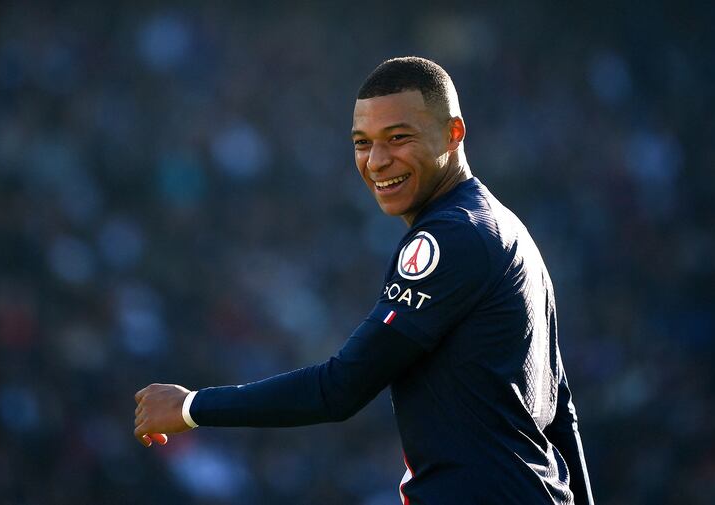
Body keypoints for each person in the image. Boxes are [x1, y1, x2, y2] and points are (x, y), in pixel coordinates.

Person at [134, 56, 595, 505]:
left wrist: (192, 406)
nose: (377, 161)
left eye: (398, 138)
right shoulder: (507, 229)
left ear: (453, 133)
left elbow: (340, 389)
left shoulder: (449, 237)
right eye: (362, 142)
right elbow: (560, 412)